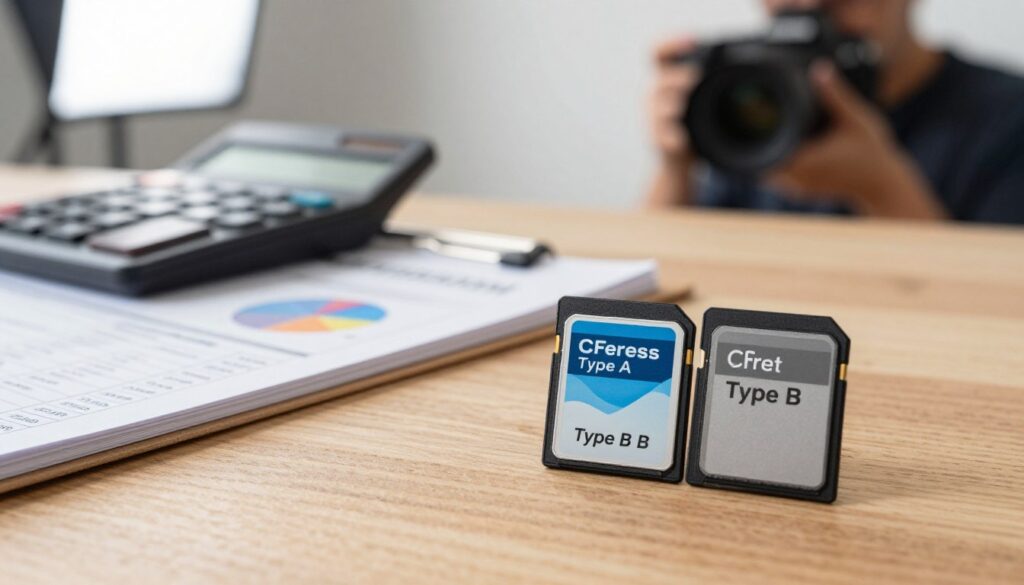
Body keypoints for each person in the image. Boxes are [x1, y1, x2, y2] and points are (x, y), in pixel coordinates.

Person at [646, 0, 1024, 224]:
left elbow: (1000, 306)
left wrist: (880, 188)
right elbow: (647, 285)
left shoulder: (1006, 116)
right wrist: (677, 168)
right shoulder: (748, 89)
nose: (811, 7)